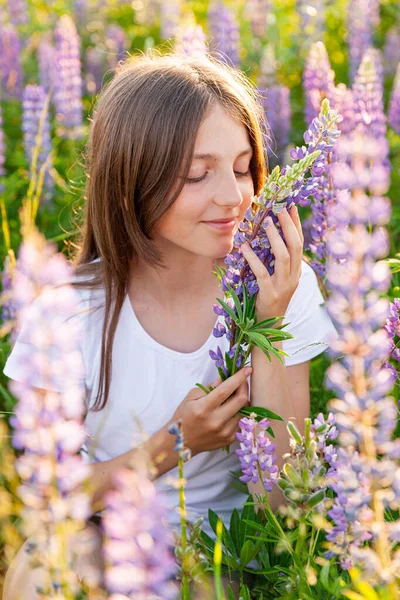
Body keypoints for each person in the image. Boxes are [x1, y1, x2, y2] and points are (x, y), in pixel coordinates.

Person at [3, 50, 337, 598]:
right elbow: (45, 501)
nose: (232, 197)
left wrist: (270, 326)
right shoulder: (68, 309)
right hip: (107, 545)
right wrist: (175, 444)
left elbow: (284, 505)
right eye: (197, 175)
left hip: (233, 556)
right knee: (40, 573)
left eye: (240, 168)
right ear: (133, 179)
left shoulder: (280, 286)